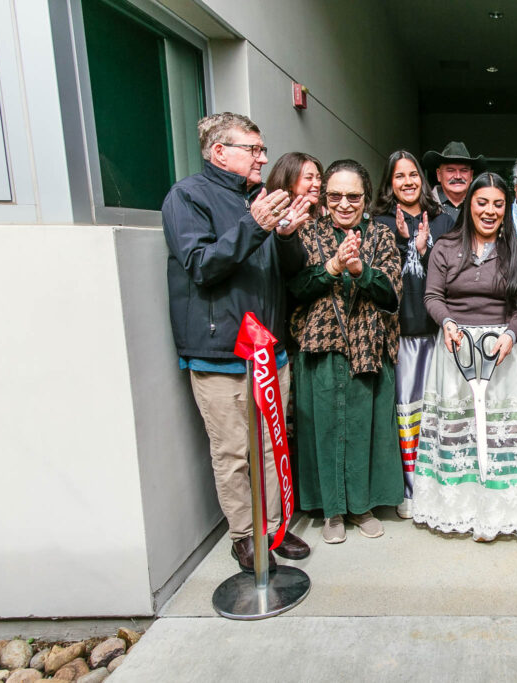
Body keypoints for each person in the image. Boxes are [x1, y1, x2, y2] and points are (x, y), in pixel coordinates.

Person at [162, 112, 312, 572]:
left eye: (262, 149)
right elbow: (202, 265)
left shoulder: (261, 199)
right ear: (219, 151)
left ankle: (274, 530)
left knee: (272, 445)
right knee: (232, 452)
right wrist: (254, 225)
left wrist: (284, 236)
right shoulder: (186, 197)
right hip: (220, 352)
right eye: (254, 148)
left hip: (270, 348)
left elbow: (292, 272)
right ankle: (244, 537)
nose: (263, 157)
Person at [412, 172, 517, 541]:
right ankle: (456, 508)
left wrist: (511, 335)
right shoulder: (445, 247)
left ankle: (498, 512)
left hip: (500, 353)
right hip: (455, 349)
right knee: (458, 431)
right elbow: (432, 296)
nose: (489, 210)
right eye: (482, 202)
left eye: (498, 204)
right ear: (469, 205)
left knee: (500, 435)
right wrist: (448, 324)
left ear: (506, 209)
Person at [288, 159, 404, 544]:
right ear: (324, 196)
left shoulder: (383, 236)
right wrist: (334, 266)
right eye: (334, 195)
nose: (343, 203)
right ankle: (332, 511)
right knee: (323, 428)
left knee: (362, 429)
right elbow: (298, 289)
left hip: (370, 348)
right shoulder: (307, 233)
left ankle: (362, 507)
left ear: (366, 198)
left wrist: (361, 271)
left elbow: (391, 295)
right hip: (322, 349)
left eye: (353, 196)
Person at [370, 151, 456, 519]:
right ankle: (410, 488)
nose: (407, 182)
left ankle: (441, 484)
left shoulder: (445, 220)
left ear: (422, 179)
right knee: (408, 414)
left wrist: (427, 247)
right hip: (401, 334)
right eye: (398, 176)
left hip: (438, 331)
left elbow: (453, 272)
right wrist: (408, 246)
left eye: (412, 175)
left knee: (441, 411)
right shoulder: (378, 223)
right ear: (389, 183)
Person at [423, 141, 487, 221]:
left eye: (464, 170)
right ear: (439, 175)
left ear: (471, 175)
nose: (458, 176)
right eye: (450, 170)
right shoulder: (424, 205)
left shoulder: (484, 207)